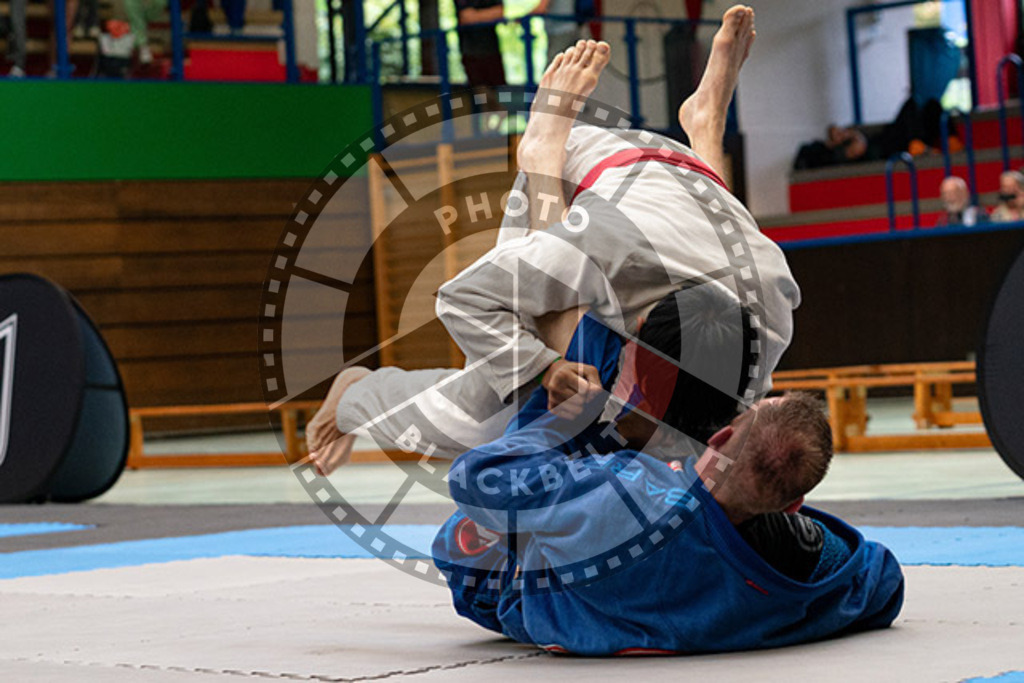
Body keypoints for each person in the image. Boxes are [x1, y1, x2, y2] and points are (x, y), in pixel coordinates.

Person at [307, 6, 800, 477]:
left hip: (688, 176)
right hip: (577, 165)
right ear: (639, 323)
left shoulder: (769, 316)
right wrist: (545, 368)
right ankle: (539, 147)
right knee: (491, 414)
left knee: (673, 405)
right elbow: (463, 298)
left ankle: (706, 124)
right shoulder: (606, 251)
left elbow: (729, 422)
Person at [431, 310, 905, 655]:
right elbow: (883, 581)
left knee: (594, 334)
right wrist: (787, 538)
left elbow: (476, 479)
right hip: (616, 600)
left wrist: (566, 425)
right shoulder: (789, 577)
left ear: (720, 434)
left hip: (496, 582)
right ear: (793, 505)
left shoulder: (622, 490)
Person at [454, 0, 507, 118]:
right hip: (471, 52)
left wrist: (477, 15)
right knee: (481, 94)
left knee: (497, 94)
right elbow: (466, 17)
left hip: (491, 50)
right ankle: (489, 129)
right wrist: (489, 15)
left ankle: (496, 128)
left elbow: (500, 12)